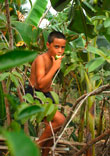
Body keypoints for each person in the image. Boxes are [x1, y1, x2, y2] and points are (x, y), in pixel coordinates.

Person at [29, 31, 66, 156]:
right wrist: (55, 67)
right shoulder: (41, 59)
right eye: (56, 47)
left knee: (54, 127)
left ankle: (45, 153)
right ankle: (35, 147)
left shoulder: (54, 59)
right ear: (48, 45)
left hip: (46, 95)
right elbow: (40, 84)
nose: (60, 51)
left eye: (62, 47)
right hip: (35, 94)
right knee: (60, 120)